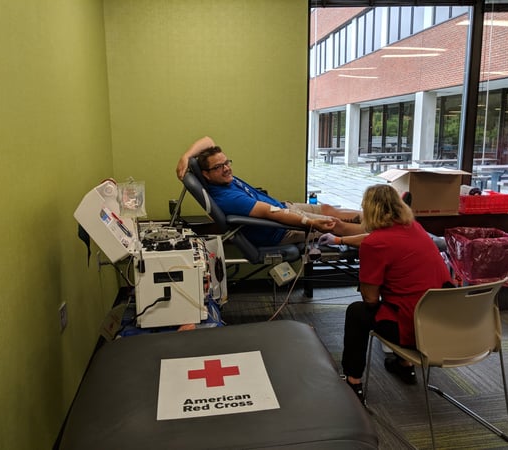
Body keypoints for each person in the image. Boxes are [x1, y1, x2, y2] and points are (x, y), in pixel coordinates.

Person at [340, 184, 453, 401]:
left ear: (368, 210)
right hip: (447, 324)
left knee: (357, 312)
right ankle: (404, 365)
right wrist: (340, 239)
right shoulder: (416, 229)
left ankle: (353, 382)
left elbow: (370, 299)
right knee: (407, 296)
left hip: (416, 329)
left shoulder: (374, 244)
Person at [176, 136, 366, 246]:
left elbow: (208, 140)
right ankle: (383, 235)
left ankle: (379, 219)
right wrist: (311, 223)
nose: (226, 168)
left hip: (283, 208)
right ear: (206, 175)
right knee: (336, 224)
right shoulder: (228, 198)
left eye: (226, 163)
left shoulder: (222, 181)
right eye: (218, 167)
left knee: (329, 210)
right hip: (282, 229)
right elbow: (271, 213)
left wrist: (186, 156)